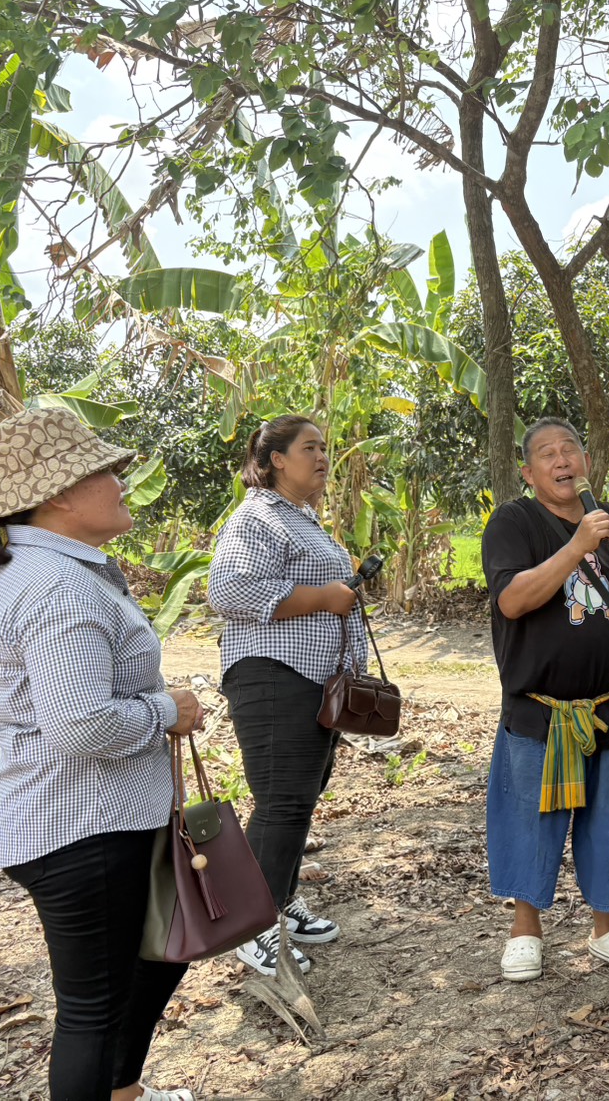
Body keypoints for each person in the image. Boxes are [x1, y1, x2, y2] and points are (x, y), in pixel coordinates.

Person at [0, 407, 203, 1101]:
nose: (123, 482)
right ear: (60, 493)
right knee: (93, 1012)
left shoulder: (56, 572)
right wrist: (165, 710)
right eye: (108, 472)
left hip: (92, 820)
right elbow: (80, 727)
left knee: (143, 971)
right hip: (79, 828)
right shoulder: (57, 586)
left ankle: (123, 1091)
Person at [481, 417, 609, 983]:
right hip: (541, 709)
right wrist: (578, 544)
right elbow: (513, 600)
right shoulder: (513, 522)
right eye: (548, 454)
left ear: (586, 459)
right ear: (528, 471)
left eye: (571, 450)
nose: (562, 461)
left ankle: (605, 926)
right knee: (531, 818)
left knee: (608, 818)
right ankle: (525, 929)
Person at [207, 415, 363, 976]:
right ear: (276, 460)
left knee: (301, 794)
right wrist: (324, 595)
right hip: (273, 676)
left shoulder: (303, 519)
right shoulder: (258, 516)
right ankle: (253, 925)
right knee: (282, 801)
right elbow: (227, 588)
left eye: (325, 446)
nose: (322, 456)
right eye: (309, 448)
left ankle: (281, 898)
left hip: (312, 681)